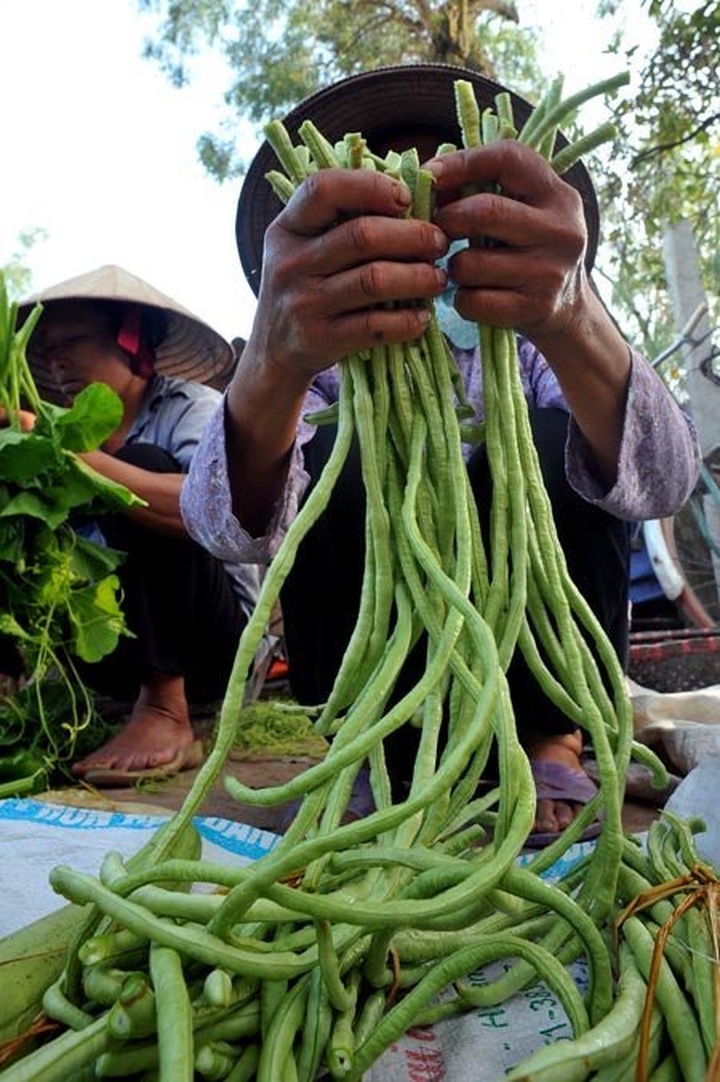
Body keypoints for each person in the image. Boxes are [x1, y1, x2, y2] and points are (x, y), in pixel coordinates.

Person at [180, 65, 701, 842]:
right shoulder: (320, 371)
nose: (422, 215)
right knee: (336, 449)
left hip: (538, 672)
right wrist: (274, 361)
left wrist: (572, 317)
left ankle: (548, 735)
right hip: (378, 701)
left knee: (551, 440)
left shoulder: (535, 350)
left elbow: (663, 481)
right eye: (383, 198)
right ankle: (372, 750)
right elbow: (225, 530)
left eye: (453, 189)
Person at [15, 264, 262, 785]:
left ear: (129, 339)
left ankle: (166, 711)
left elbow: (213, 513)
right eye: (49, 348)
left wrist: (80, 460)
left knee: (146, 464)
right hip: (110, 654)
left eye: (74, 340)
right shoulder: (61, 429)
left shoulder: (194, 408)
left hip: (210, 647)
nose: (57, 360)